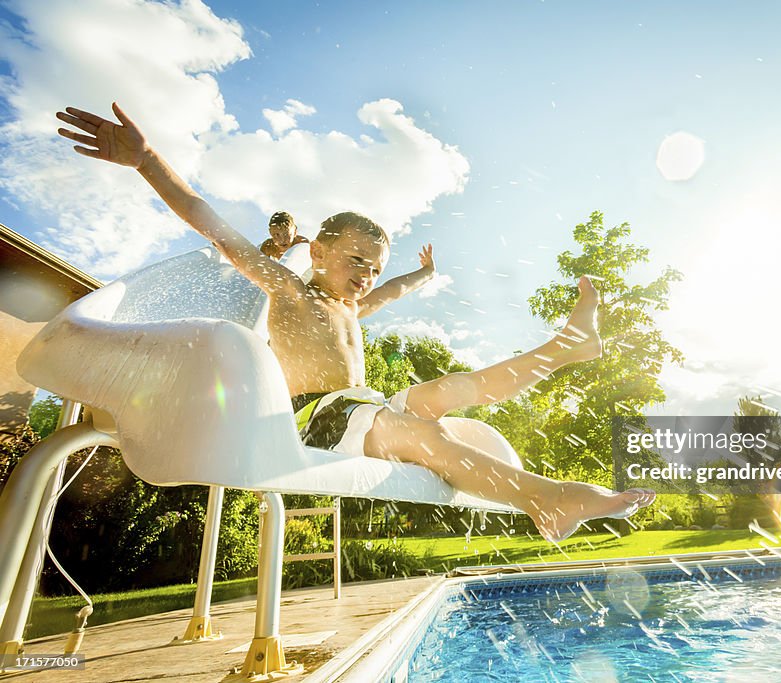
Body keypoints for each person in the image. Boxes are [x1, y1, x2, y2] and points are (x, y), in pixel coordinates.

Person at [56, 103, 655, 542]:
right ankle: (547, 500)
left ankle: (566, 347)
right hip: (320, 417)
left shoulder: (354, 306)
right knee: (428, 435)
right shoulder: (291, 289)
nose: (366, 277)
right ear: (317, 252)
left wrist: (420, 278)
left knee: (445, 391)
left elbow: (392, 290)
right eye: (356, 262)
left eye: (374, 269)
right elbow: (215, 226)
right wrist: (147, 161)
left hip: (365, 408)